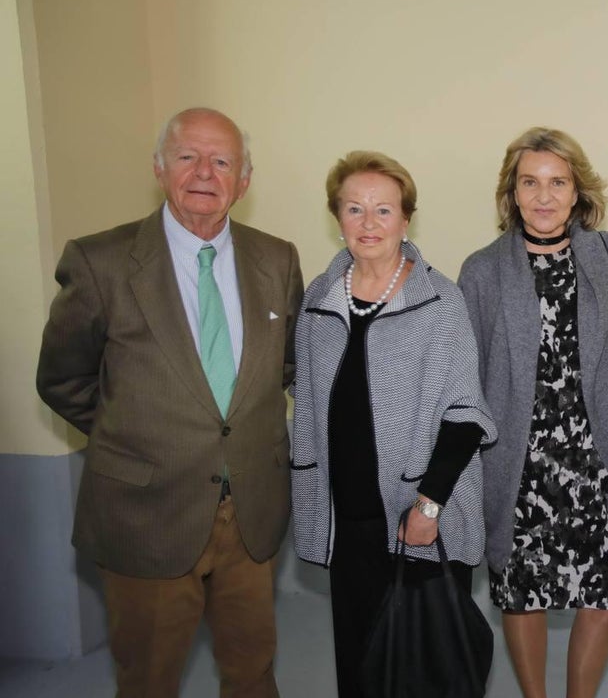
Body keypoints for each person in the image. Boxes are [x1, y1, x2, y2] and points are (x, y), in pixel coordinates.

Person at [36, 107, 303, 697]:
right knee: (149, 679)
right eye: (188, 156)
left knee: (253, 672)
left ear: (244, 179)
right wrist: (139, 436)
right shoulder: (100, 261)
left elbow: (285, 367)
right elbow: (63, 379)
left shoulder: (277, 259)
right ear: (159, 168)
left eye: (222, 160)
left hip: (251, 517)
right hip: (146, 514)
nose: (205, 172)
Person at [458, 127, 608, 698]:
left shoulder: (605, 254)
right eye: (530, 182)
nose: (544, 196)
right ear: (512, 191)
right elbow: (467, 379)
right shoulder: (482, 270)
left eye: (558, 182)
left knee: (603, 596)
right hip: (519, 469)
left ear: (579, 191)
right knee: (521, 593)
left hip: (602, 459)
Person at [290, 150, 496, 698]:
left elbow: (464, 415)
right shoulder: (319, 300)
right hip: (348, 517)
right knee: (360, 665)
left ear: (407, 219)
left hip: (418, 516)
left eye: (384, 210)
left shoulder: (439, 299)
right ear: (337, 219)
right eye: (354, 209)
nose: (369, 223)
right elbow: (310, 399)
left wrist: (429, 507)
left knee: (426, 668)